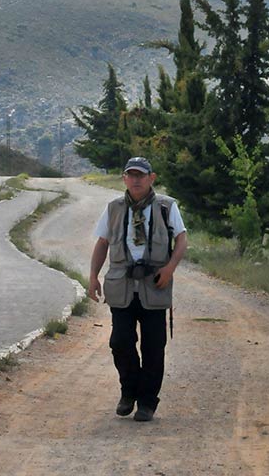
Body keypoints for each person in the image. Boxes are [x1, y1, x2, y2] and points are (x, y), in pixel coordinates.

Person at [88, 156, 187, 422]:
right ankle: (128, 391)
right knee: (120, 342)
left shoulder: (167, 207)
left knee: (154, 346)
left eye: (141, 175)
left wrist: (169, 269)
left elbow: (181, 239)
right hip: (121, 286)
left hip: (154, 285)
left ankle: (147, 402)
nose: (136, 179)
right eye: (131, 175)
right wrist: (93, 276)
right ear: (124, 178)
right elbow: (102, 242)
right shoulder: (114, 208)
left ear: (151, 178)